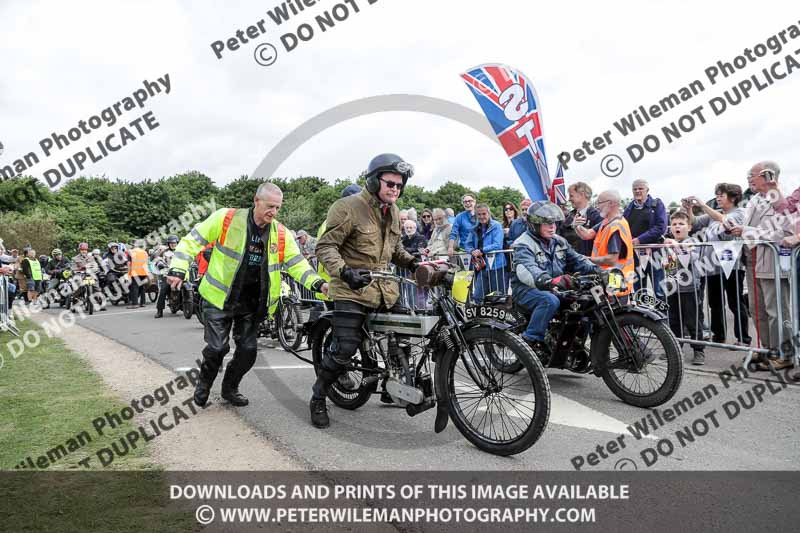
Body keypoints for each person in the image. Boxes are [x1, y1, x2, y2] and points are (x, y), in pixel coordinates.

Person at [168, 182, 327, 408]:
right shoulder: (226, 218)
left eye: (278, 208)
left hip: (253, 303)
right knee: (217, 348)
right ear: (256, 201)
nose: (274, 212)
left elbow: (297, 264)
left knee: (248, 351)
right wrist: (178, 268)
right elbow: (192, 241)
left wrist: (318, 283)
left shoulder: (280, 233)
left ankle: (230, 387)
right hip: (219, 298)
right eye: (270, 206)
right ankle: (204, 384)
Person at [310, 153, 418, 429]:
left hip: (385, 290)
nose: (395, 189)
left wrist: (415, 262)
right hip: (351, 290)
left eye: (399, 185)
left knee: (408, 336)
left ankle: (394, 385)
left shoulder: (393, 211)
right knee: (345, 347)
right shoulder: (347, 207)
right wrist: (345, 270)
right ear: (373, 181)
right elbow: (325, 247)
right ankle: (319, 396)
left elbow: (395, 250)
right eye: (390, 183)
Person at [727, 161, 794, 370]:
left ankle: (785, 353)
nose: (749, 179)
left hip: (772, 262)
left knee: (777, 312)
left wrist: (747, 231)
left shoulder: (783, 199)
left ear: (767, 176)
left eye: (752, 175)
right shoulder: (754, 199)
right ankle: (768, 350)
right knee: (758, 310)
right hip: (752, 260)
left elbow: (785, 233)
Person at [511, 201, 599, 353]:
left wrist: (600, 271)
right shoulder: (523, 244)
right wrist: (549, 281)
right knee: (549, 300)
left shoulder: (559, 241)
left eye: (554, 223)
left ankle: (573, 343)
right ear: (534, 224)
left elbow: (578, 260)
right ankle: (529, 342)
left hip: (555, 287)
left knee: (585, 301)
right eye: (547, 223)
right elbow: (528, 270)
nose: (552, 227)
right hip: (527, 289)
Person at [683, 184, 751, 346]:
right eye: (717, 195)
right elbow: (694, 222)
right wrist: (689, 209)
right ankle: (718, 335)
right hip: (712, 266)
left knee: (735, 302)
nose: (718, 198)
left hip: (732, 264)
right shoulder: (716, 214)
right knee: (715, 303)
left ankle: (743, 339)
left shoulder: (739, 213)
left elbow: (726, 223)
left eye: (721, 195)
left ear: (733, 197)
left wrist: (703, 205)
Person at [663, 211, 706, 365]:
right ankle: (676, 348)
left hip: (690, 288)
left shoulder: (693, 242)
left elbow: (692, 257)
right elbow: (667, 264)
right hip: (673, 287)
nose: (677, 227)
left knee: (692, 320)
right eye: (674, 224)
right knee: (674, 320)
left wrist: (676, 246)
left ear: (689, 227)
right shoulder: (668, 244)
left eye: (681, 224)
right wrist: (666, 261)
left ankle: (698, 350)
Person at [576, 190, 635, 298]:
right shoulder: (607, 222)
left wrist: (588, 259)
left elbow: (611, 259)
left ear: (611, 203)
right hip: (612, 275)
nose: (597, 206)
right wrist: (577, 226)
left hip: (616, 277)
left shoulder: (615, 226)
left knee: (614, 311)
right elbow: (587, 235)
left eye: (599, 202)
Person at [623, 179, 667, 299]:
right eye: (635, 189)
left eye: (640, 188)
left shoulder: (657, 204)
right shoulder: (629, 208)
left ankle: (663, 317)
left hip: (654, 254)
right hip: (635, 256)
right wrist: (630, 239)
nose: (637, 191)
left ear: (647, 190)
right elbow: (623, 227)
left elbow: (661, 227)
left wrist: (639, 240)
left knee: (659, 291)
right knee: (638, 292)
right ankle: (642, 317)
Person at [464, 203, 508, 302]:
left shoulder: (496, 226)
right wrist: (472, 251)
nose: (482, 216)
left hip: (498, 266)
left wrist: (481, 250)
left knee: (498, 297)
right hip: (482, 266)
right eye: (479, 214)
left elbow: (498, 245)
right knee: (478, 296)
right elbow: (467, 244)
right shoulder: (474, 228)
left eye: (484, 214)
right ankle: (481, 317)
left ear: (489, 213)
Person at [560, 182, 603, 256]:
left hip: (589, 263)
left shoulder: (597, 217)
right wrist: (573, 226)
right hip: (570, 262)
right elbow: (561, 238)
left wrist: (580, 228)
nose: (569, 199)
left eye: (571, 195)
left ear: (582, 195)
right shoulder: (568, 217)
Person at [154, 236, 179, 318]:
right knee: (163, 290)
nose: (173, 244)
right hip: (168, 274)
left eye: (174, 243)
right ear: (168, 244)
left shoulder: (181, 251)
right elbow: (157, 259)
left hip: (180, 273)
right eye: (171, 243)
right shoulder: (164, 252)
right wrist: (159, 264)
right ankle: (159, 310)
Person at [127, 240, 149, 309]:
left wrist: (129, 274)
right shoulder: (144, 252)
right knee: (142, 287)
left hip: (135, 272)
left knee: (135, 288)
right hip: (144, 272)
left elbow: (129, 264)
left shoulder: (131, 252)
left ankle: (135, 304)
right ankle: (143, 303)